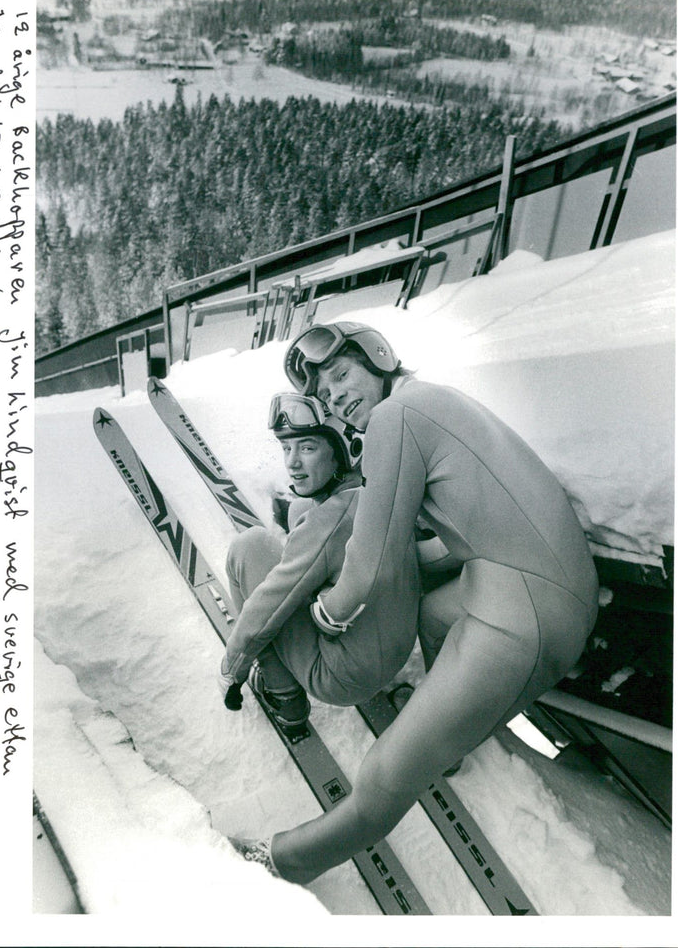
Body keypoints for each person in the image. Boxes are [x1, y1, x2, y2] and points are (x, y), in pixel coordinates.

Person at [236, 321, 599, 884]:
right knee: (432, 615)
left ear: (378, 359)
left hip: (523, 613)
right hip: (538, 585)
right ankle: (445, 735)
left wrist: (327, 612)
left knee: (384, 771)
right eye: (327, 393)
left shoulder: (393, 417)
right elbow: (457, 531)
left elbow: (372, 557)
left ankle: (283, 861)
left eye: (343, 374)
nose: (338, 395)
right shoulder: (431, 400)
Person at [217, 391, 420, 742]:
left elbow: (267, 608)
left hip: (340, 676)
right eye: (286, 449)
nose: (292, 463)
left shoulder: (328, 522)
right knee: (299, 511)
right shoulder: (381, 490)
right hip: (393, 652)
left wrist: (231, 671)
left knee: (248, 546)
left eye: (308, 448)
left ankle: (285, 696)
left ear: (344, 450)